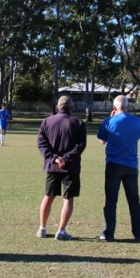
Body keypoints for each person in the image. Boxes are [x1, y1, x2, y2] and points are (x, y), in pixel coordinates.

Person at [36, 95, 86, 241]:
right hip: (70, 167)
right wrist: (65, 159)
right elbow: (80, 146)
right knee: (68, 199)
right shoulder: (78, 122)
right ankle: (61, 231)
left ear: (58, 107)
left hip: (52, 167)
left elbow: (41, 143)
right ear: (71, 107)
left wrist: (53, 158)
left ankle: (42, 228)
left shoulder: (47, 121)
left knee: (48, 196)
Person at [97, 95, 140, 241]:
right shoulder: (137, 121)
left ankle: (108, 233)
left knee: (111, 200)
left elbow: (102, 140)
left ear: (114, 107)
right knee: (134, 201)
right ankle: (139, 233)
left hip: (114, 164)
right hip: (131, 165)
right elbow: (137, 137)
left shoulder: (108, 121)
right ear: (127, 106)